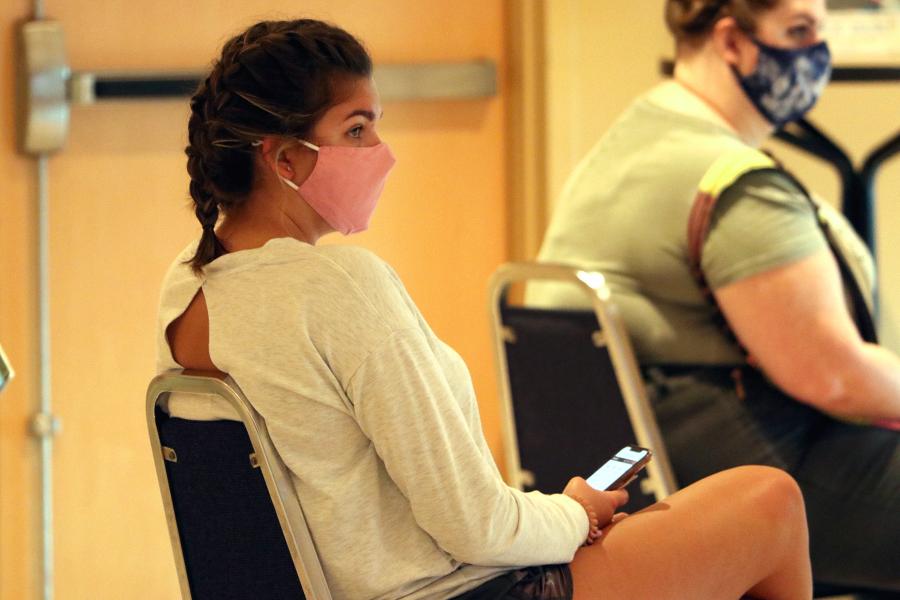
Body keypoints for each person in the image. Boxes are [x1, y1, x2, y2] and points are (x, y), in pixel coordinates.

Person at [157, 18, 813, 600]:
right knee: (770, 501)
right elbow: (474, 527)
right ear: (284, 158)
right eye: (356, 129)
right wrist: (573, 513)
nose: (381, 152)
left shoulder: (187, 288)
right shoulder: (334, 284)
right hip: (458, 589)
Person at [529, 0, 900, 593]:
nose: (817, 56)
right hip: (740, 475)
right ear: (732, 42)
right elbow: (836, 377)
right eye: (799, 32)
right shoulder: (733, 183)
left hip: (650, 465)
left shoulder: (634, 140)